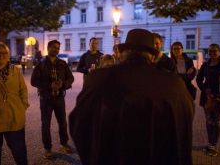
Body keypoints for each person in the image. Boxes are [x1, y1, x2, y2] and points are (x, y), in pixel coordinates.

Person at [69, 29, 194, 165]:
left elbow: (78, 124)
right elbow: (185, 118)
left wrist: (94, 155)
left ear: (122, 56)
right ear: (152, 57)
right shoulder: (174, 84)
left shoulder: (98, 79)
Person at [0, 42, 29, 165]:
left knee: (19, 151)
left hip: (14, 117)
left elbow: (22, 89)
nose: (0, 55)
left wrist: (23, 106)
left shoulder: (15, 71)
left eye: (4, 53)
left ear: (7, 54)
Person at [31, 40, 74, 159]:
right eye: (54, 47)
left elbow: (71, 77)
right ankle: (47, 148)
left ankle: (64, 143)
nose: (56, 50)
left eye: (58, 48)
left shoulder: (62, 63)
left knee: (62, 123)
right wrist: (50, 85)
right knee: (46, 124)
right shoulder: (41, 64)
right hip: (46, 98)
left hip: (59, 97)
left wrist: (63, 84)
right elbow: (33, 81)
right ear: (48, 48)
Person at [196, 44, 220, 157]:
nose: (212, 53)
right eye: (210, 51)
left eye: (214, 51)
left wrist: (215, 93)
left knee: (217, 121)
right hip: (206, 97)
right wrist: (204, 89)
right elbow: (199, 79)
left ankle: (214, 144)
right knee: (209, 120)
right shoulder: (206, 65)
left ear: (219, 51)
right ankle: (209, 142)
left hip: (218, 97)